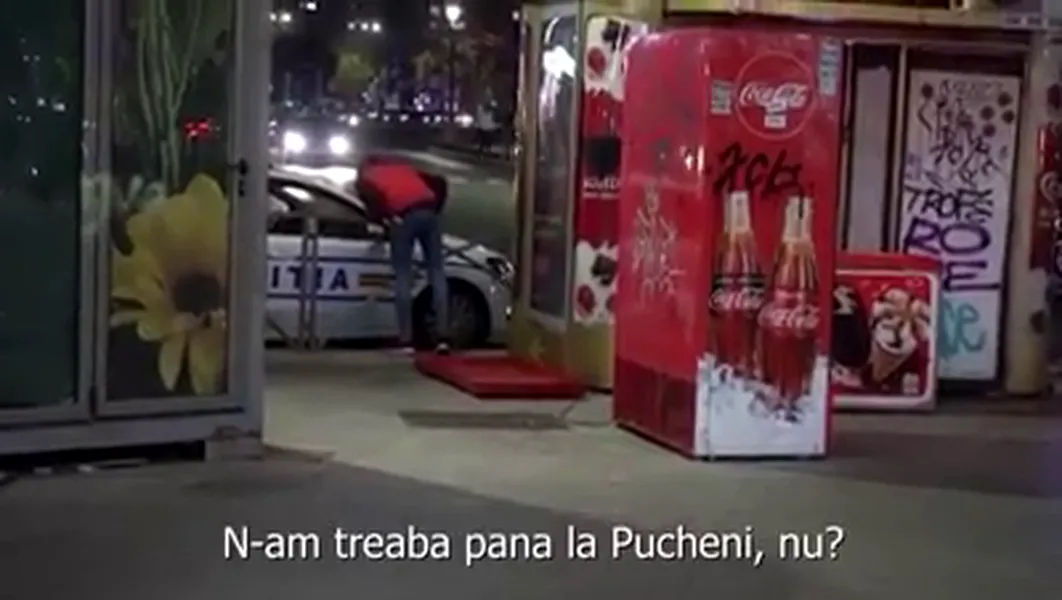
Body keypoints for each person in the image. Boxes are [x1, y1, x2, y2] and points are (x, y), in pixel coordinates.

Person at [355, 156, 450, 354]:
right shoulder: (403, 168)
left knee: (402, 276)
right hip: (428, 211)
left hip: (404, 216)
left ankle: (406, 340)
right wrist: (436, 209)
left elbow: (373, 206)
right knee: (437, 273)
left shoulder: (365, 179)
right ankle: (443, 337)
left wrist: (386, 220)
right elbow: (440, 182)